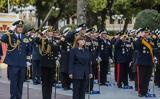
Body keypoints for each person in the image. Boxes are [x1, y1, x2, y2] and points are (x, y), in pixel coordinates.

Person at [1, 20, 31, 99]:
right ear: (15, 28)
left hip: (22, 64)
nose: (20, 28)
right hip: (13, 64)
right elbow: (2, 39)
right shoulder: (10, 36)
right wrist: (10, 30)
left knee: (20, 84)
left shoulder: (25, 37)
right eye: (18, 27)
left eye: (21, 27)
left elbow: (28, 50)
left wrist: (28, 61)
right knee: (13, 84)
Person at [36, 26, 60, 99]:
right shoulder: (43, 40)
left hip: (52, 65)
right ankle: (45, 97)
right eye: (49, 32)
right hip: (45, 64)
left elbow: (56, 51)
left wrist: (57, 59)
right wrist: (41, 33)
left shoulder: (55, 41)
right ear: (46, 32)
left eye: (51, 32)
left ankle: (49, 97)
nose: (50, 33)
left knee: (50, 83)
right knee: (45, 83)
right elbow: (36, 40)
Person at [135, 28, 154, 97]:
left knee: (147, 78)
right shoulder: (140, 40)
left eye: (147, 32)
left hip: (149, 62)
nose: (147, 34)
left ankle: (145, 91)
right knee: (141, 77)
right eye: (145, 32)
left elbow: (153, 50)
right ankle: (141, 91)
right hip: (142, 62)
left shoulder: (149, 40)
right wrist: (140, 37)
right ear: (142, 33)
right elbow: (136, 46)